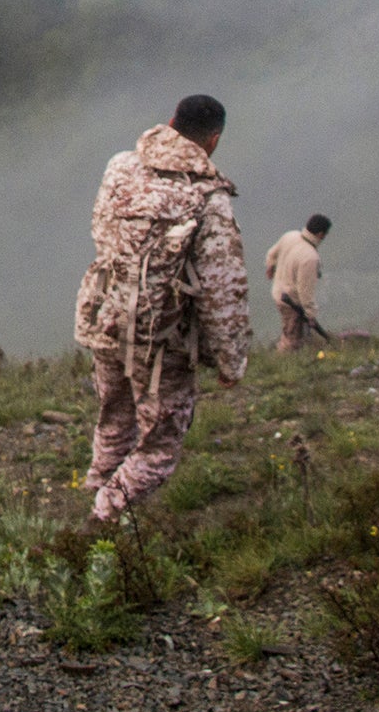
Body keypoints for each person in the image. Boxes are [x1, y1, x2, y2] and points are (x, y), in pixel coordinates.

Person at [75, 95, 249, 523]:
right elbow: (222, 289)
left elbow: (101, 230)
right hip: (160, 337)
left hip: (104, 318)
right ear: (213, 141)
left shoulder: (120, 166)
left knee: (114, 418)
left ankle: (97, 486)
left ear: (171, 122)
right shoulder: (208, 196)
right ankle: (103, 520)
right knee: (160, 444)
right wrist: (230, 360)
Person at [265, 215, 332, 352]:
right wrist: (311, 314)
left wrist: (271, 267)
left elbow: (271, 254)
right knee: (292, 340)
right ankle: (280, 366)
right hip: (291, 302)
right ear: (321, 234)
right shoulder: (310, 258)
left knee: (294, 335)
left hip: (278, 292)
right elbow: (305, 292)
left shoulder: (290, 236)